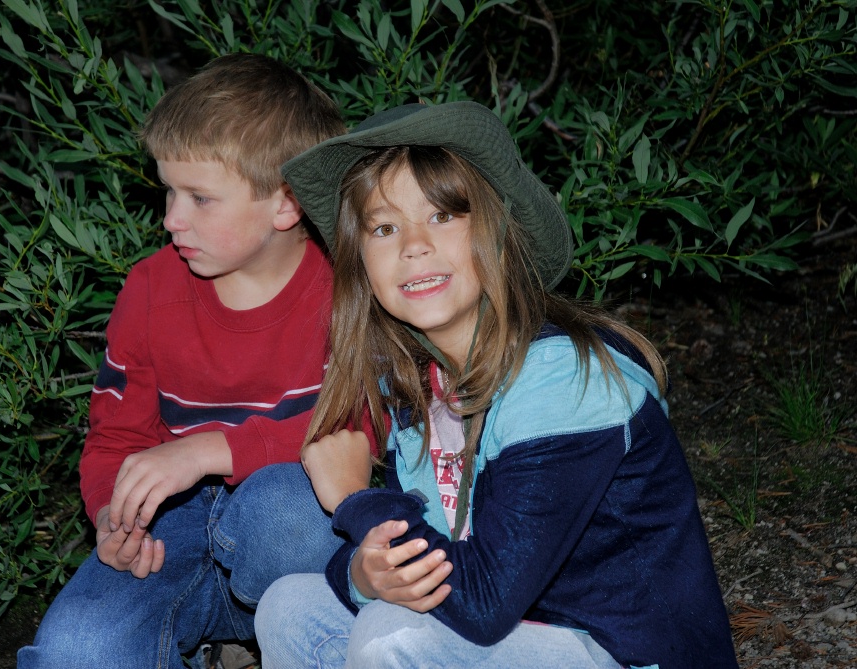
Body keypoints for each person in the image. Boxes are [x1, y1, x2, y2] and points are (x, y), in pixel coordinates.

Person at [254, 101, 739, 669]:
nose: (413, 245)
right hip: (517, 636)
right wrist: (364, 572)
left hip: (620, 652)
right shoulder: (421, 388)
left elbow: (482, 603)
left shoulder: (563, 377)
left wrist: (357, 502)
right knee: (287, 606)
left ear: (500, 232)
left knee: (393, 636)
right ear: (361, 264)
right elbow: (431, 563)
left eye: (442, 216)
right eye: (384, 227)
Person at [17, 54, 350, 668]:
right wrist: (113, 519)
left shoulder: (343, 293)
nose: (171, 219)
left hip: (282, 522)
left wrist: (208, 450)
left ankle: (268, 635)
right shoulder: (149, 289)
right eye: (169, 191)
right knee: (75, 653)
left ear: (286, 204)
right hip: (172, 525)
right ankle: (208, 646)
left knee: (292, 510)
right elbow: (116, 434)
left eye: (200, 197)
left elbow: (359, 431)